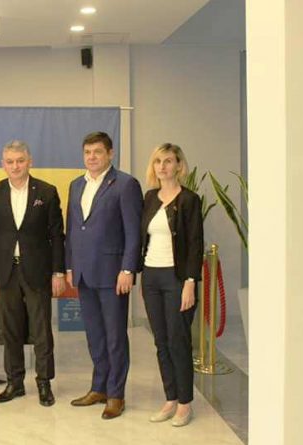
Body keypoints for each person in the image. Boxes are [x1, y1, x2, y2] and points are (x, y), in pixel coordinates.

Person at [0, 140, 66, 407]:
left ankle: (44, 383)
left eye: (20, 160)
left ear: (30, 161)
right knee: (10, 331)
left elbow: (57, 236)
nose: (15, 166)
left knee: (41, 331)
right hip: (5, 272)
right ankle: (14, 383)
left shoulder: (47, 191)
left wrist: (58, 272)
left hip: (37, 271)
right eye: (10, 161)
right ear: (3, 164)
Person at [65, 131, 142, 420]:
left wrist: (128, 269)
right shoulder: (76, 185)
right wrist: (70, 266)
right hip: (84, 273)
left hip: (113, 274)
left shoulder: (125, 184)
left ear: (110, 153)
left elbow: (133, 232)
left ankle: (115, 394)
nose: (92, 157)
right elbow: (72, 229)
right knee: (95, 335)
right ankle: (98, 387)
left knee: (114, 337)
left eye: (97, 152)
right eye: (87, 152)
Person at [140, 143, 203, 427]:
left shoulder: (189, 200)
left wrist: (190, 282)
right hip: (151, 277)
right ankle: (170, 398)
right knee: (161, 341)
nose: (162, 167)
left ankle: (185, 403)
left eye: (168, 161)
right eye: (158, 161)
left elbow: (195, 244)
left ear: (179, 165)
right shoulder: (150, 198)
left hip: (177, 278)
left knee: (178, 340)